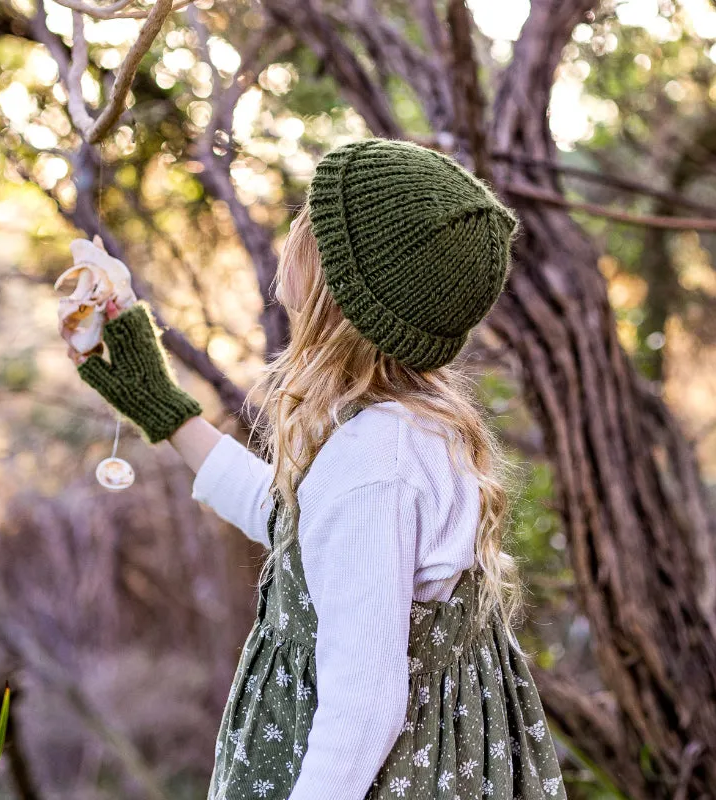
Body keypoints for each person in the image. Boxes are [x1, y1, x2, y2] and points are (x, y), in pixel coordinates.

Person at [64, 138, 566, 800]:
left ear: (341, 285)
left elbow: (366, 704)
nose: (296, 233)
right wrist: (165, 408)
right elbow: (295, 527)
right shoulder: (400, 425)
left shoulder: (375, 465)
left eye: (314, 223)